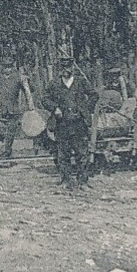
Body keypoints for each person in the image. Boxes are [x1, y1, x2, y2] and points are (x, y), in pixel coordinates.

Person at [43, 57, 98, 189]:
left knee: (82, 153)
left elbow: (94, 95)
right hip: (62, 124)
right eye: (62, 68)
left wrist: (84, 109)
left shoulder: (80, 82)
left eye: (68, 68)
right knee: (63, 154)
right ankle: (66, 180)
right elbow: (44, 99)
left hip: (78, 123)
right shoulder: (54, 83)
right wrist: (54, 108)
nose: (65, 70)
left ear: (72, 68)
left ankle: (83, 181)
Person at [0, 56, 25, 159]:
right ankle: (3, 151)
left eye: (10, 67)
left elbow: (29, 89)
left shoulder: (18, 77)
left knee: (11, 132)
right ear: (2, 68)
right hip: (2, 109)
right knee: (1, 131)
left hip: (14, 110)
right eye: (5, 67)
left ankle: (6, 152)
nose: (7, 69)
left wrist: (26, 79)